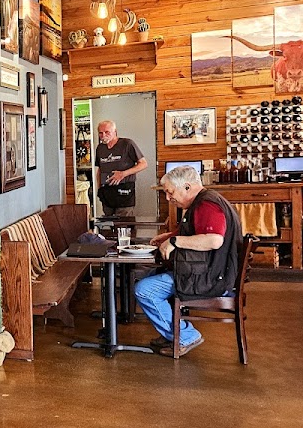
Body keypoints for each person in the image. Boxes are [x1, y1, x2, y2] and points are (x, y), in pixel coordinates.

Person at [133, 165, 243, 356]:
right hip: (210, 271)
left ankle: (185, 336)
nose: (168, 198)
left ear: (187, 187)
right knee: (149, 275)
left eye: (170, 192)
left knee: (144, 289)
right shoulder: (204, 201)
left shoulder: (207, 205)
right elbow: (197, 231)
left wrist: (174, 241)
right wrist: (169, 235)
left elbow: (214, 240)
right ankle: (172, 333)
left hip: (210, 277)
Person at [95, 119, 147, 218]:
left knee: (123, 222)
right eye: (100, 133)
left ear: (115, 132)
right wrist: (99, 189)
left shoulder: (127, 144)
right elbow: (100, 170)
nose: (103, 135)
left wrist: (123, 174)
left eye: (107, 132)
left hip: (124, 190)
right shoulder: (100, 148)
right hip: (107, 191)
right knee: (108, 222)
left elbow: (143, 164)